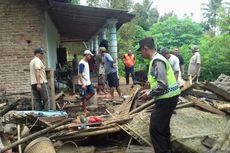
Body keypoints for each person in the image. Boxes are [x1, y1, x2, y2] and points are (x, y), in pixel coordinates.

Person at [137, 37, 180, 153]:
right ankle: (168, 150)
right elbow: (155, 81)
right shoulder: (156, 60)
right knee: (163, 127)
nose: (141, 53)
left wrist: (149, 95)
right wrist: (147, 89)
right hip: (169, 97)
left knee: (155, 129)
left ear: (145, 48)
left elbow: (162, 84)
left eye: (141, 50)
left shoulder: (157, 61)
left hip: (167, 98)